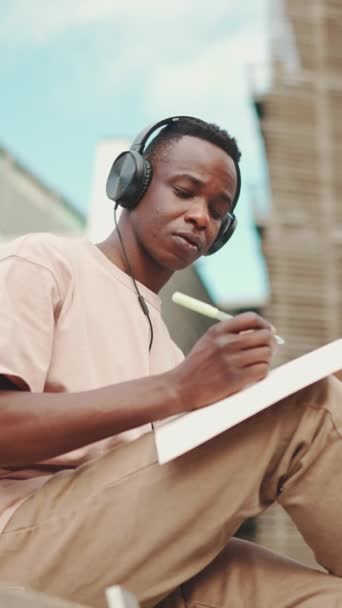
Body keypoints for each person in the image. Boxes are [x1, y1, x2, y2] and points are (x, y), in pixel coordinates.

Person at [0, 115, 341, 608]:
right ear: (130, 184)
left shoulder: (169, 348)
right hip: (24, 544)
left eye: (218, 211)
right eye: (184, 191)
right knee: (306, 405)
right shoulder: (43, 263)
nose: (201, 216)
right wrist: (179, 389)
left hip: (135, 551)